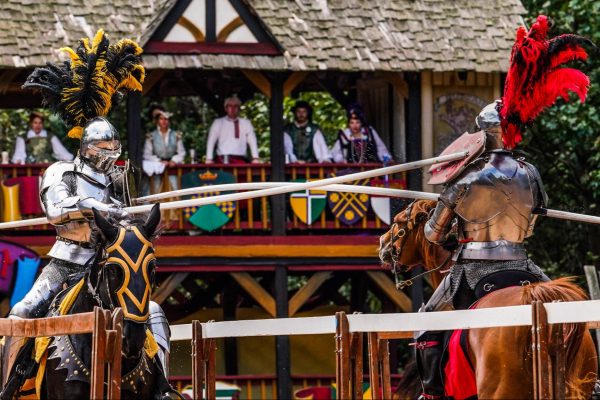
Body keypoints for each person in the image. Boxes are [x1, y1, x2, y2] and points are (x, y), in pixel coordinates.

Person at [1, 30, 179, 399]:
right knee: (22, 310)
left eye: (112, 146)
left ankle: (161, 385)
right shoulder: (61, 172)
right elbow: (56, 209)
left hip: (106, 263)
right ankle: (8, 385)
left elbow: (127, 223)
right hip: (66, 262)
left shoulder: (116, 179)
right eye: (101, 146)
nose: (108, 153)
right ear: (85, 146)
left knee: (154, 311)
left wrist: (126, 211)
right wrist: (98, 206)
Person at [205, 96, 260, 164]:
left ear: (239, 108)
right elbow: (211, 141)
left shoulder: (246, 123)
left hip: (241, 160)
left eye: (236, 106)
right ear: (226, 108)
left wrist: (255, 158)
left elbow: (252, 140)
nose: (233, 108)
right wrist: (209, 158)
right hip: (222, 159)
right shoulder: (218, 122)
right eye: (230, 106)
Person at [143, 109, 186, 193]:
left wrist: (174, 160)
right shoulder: (151, 136)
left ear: (169, 121)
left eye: (166, 119)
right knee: (155, 191)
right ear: (157, 121)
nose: (164, 121)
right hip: (157, 168)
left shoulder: (176, 135)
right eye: (161, 119)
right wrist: (159, 161)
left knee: (175, 189)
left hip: (172, 168)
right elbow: (146, 154)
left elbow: (182, 152)